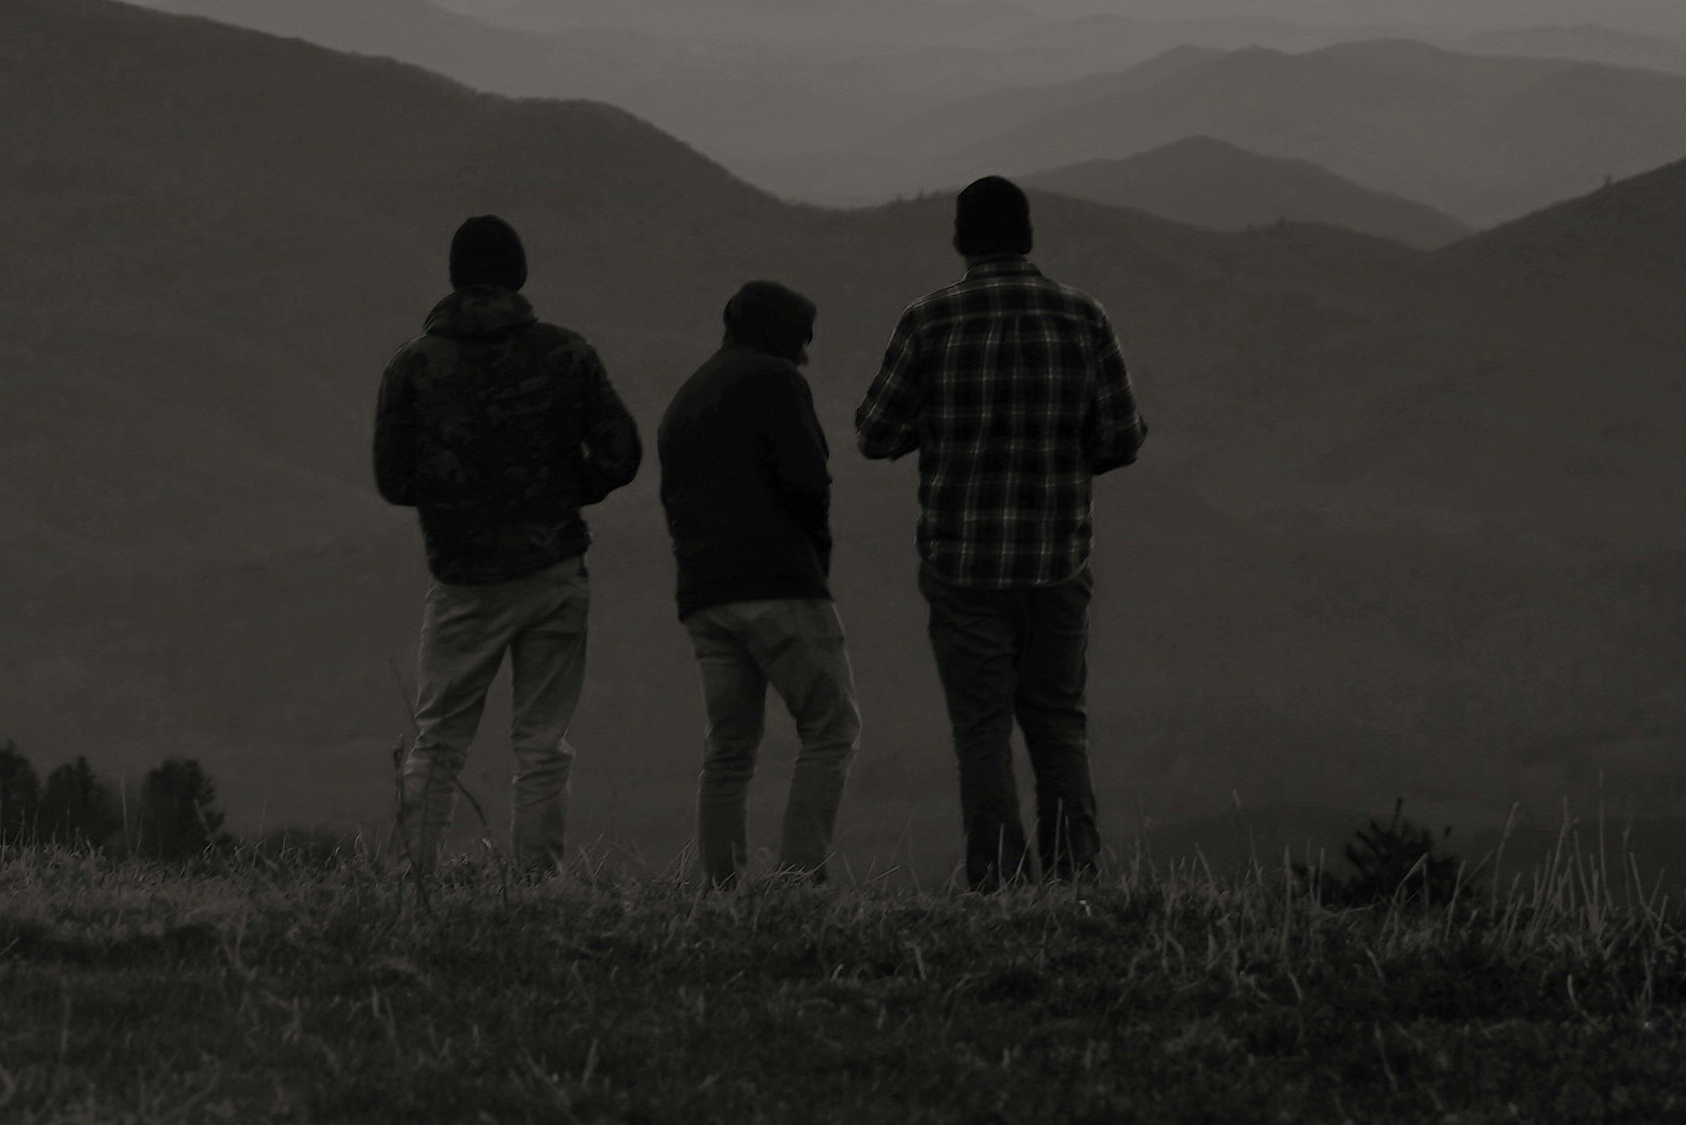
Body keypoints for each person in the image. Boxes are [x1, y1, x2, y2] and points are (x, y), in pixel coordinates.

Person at [850, 175, 1146, 884]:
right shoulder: (1083, 317)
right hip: (1057, 560)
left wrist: (943, 427)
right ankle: (1075, 876)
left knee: (981, 730)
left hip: (963, 566)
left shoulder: (929, 320)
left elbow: (874, 433)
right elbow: (1121, 437)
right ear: (1028, 236)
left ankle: (999, 878)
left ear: (961, 238)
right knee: (1058, 724)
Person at [367, 212, 643, 879]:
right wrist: (560, 491)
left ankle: (414, 882)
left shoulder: (413, 366)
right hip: (552, 570)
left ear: (456, 279)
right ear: (517, 276)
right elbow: (622, 453)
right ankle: (537, 882)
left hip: (463, 580)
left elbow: (393, 480)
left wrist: (457, 497)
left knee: (437, 742)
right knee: (542, 744)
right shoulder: (566, 354)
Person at [652, 278, 857, 882]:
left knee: (729, 750)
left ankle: (721, 885)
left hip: (704, 596)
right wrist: (815, 560)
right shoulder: (776, 382)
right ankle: (800, 880)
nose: (807, 354)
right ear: (780, 336)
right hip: (779, 585)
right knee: (830, 728)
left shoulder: (684, 399)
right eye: (803, 340)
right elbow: (808, 483)